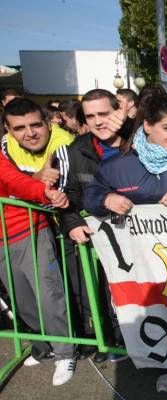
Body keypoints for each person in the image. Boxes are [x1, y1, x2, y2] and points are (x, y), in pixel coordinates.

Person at [82, 93, 167, 400]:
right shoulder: (119, 166)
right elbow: (90, 196)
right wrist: (107, 200)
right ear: (147, 126)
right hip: (145, 262)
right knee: (158, 314)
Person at [1, 98, 77, 386]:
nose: (29, 132)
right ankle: (42, 346)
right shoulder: (5, 145)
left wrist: (45, 193)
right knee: (21, 299)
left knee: (49, 294)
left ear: (46, 121)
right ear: (8, 130)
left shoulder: (60, 141)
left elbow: (14, 181)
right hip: (1, 240)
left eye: (34, 124)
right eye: (19, 128)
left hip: (27, 228)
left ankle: (64, 351)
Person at [55, 89, 130, 363]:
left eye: (104, 114)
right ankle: (114, 340)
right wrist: (72, 222)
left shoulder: (137, 141)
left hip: (140, 238)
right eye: (91, 116)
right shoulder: (76, 150)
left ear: (117, 111)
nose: (98, 122)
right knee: (103, 293)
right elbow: (69, 197)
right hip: (101, 240)